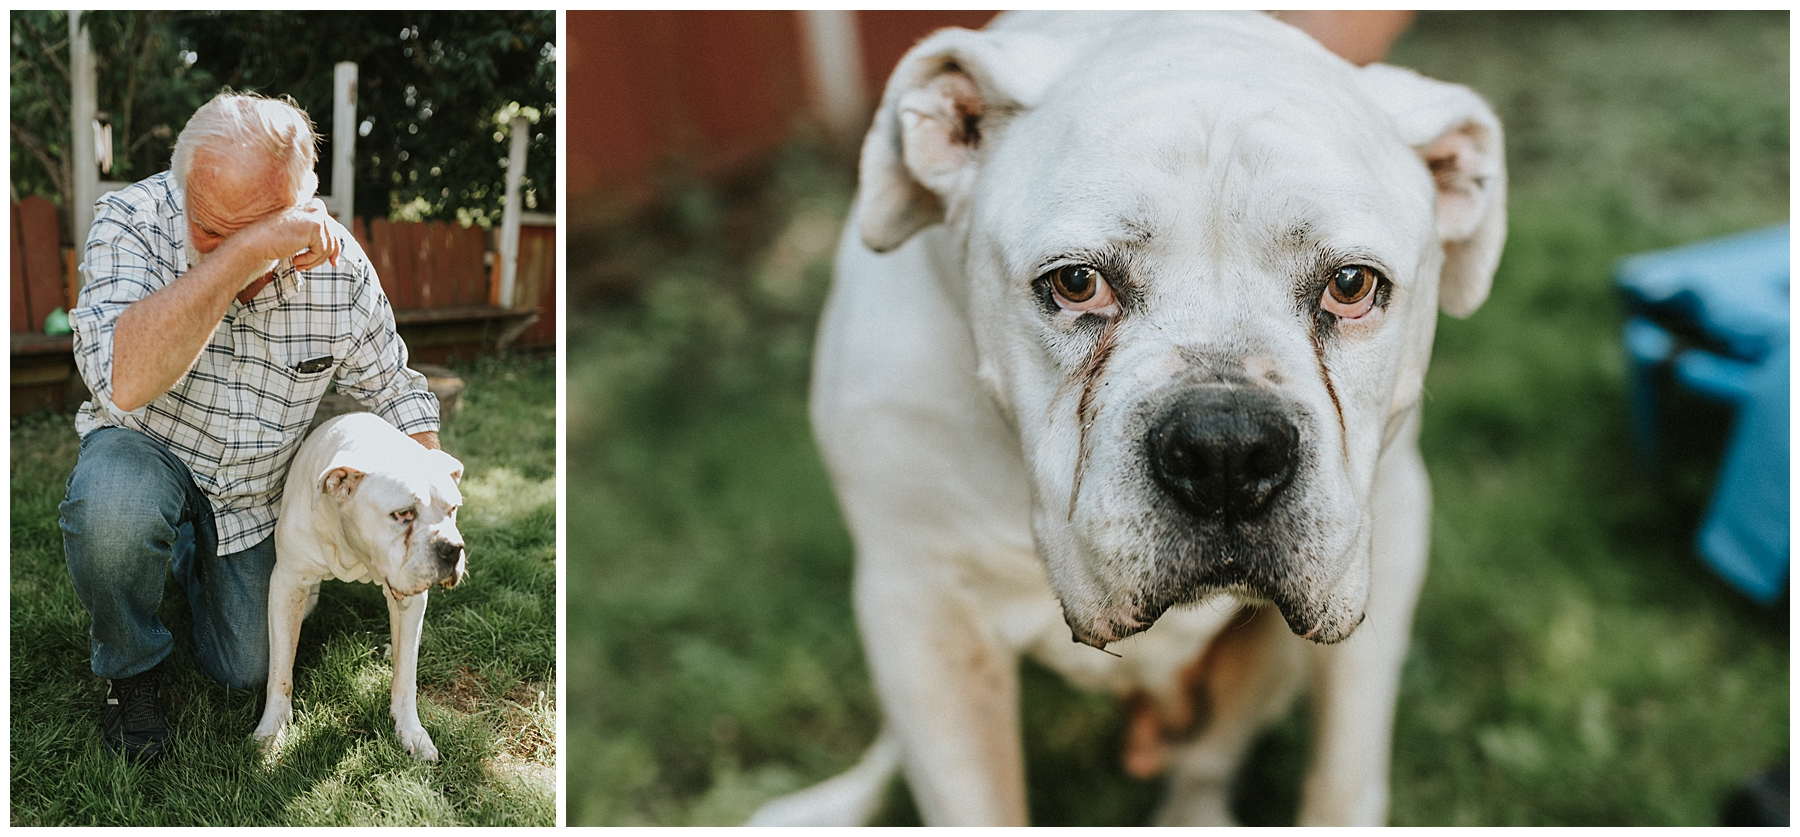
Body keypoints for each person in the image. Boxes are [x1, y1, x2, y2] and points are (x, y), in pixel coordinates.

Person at [60, 91, 442, 762]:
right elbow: (122, 379)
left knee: (244, 669)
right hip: (145, 446)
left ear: (301, 203)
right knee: (114, 514)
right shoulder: (132, 218)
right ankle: (130, 671)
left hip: (254, 497)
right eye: (211, 227)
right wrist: (249, 251)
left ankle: (186, 553)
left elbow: (395, 390)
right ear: (182, 186)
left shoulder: (341, 268)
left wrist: (428, 511)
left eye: (258, 226)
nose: (230, 246)